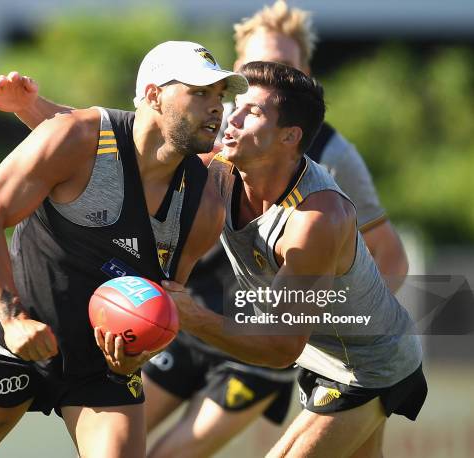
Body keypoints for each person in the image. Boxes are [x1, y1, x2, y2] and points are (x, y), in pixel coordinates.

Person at [0, 3, 410, 456]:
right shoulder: (220, 146)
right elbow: (131, 134)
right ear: (238, 70)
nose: (231, 115)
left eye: (284, 66)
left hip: (299, 347)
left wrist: (335, 314)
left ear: (302, 77)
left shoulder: (326, 188)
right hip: (189, 311)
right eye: (252, 71)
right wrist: (35, 109)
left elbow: (369, 274)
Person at [0, 40, 248, 458]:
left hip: (102, 368)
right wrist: (13, 320)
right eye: (199, 92)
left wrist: (138, 356)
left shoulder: (205, 206)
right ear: (153, 95)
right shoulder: (76, 138)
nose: (216, 107)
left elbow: (165, 306)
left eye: (220, 96)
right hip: (18, 339)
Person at [163, 60, 427, 457]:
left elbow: (281, 346)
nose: (230, 117)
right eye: (235, 105)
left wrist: (191, 316)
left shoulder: (316, 219)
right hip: (322, 356)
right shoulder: (217, 166)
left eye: (252, 112)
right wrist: (35, 108)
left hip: (366, 367)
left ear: (290, 136)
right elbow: (128, 144)